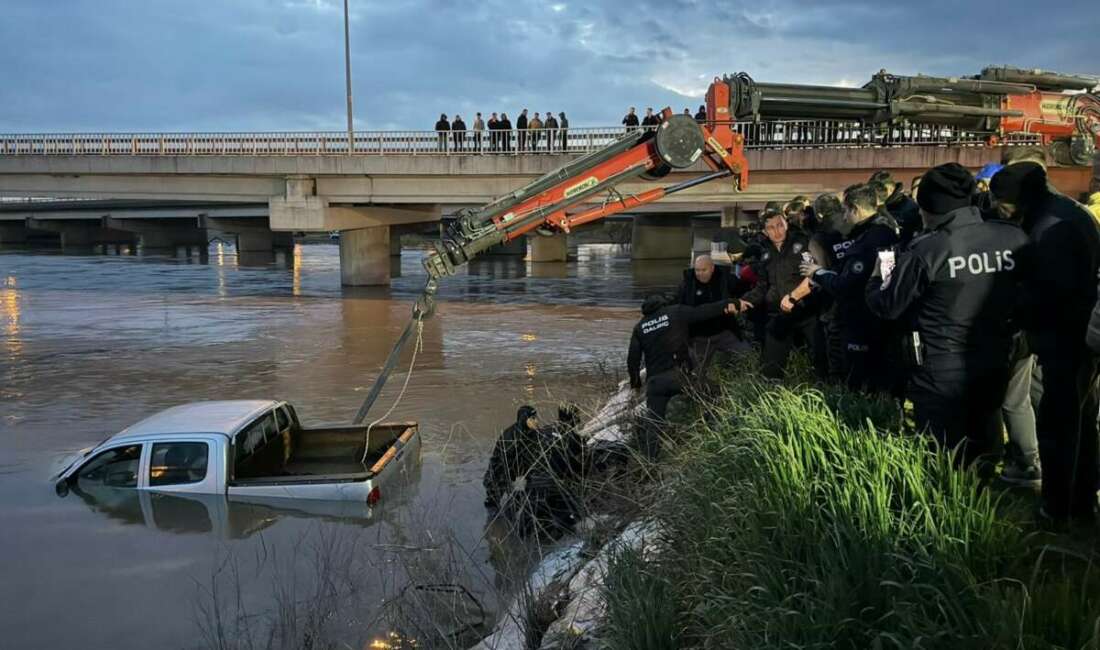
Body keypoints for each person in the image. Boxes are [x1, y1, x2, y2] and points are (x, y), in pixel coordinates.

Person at [865, 163, 1029, 467]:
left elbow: (887, 306)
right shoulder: (1013, 237)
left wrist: (876, 277)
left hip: (941, 370)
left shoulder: (928, 250)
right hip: (997, 358)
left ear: (930, 208)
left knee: (944, 459)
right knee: (986, 441)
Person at [991, 161, 1100, 523]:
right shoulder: (1070, 211)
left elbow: (1050, 294)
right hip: (1081, 335)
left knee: (1058, 425)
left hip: (1065, 338)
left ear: (1019, 198)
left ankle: (1056, 508)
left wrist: (1018, 314)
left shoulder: (1051, 228)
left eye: (1002, 202)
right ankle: (1083, 500)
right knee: (1082, 419)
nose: (999, 210)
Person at [801, 184, 899, 391]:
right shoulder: (887, 231)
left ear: (855, 209)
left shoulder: (867, 241)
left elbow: (847, 286)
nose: (844, 217)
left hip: (861, 318)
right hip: (883, 315)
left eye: (845, 211)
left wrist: (817, 273)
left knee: (856, 381)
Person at [627, 294, 738, 458]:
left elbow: (632, 360)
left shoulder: (640, 327)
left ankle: (650, 463)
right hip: (679, 377)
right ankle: (716, 437)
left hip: (655, 383)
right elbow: (704, 311)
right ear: (663, 304)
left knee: (654, 425)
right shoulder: (676, 312)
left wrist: (636, 384)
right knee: (715, 392)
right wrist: (729, 303)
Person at [741, 210, 816, 379]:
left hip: (807, 311)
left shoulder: (804, 243)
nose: (777, 231)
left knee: (822, 361)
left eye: (780, 225)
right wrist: (743, 301)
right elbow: (762, 287)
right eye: (771, 228)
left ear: (786, 224)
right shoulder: (765, 253)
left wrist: (794, 296)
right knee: (769, 369)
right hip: (779, 314)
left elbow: (814, 276)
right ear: (764, 231)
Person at [676, 254, 748, 371]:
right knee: (694, 372)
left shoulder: (725, 279)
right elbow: (678, 308)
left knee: (747, 356)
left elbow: (745, 290)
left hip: (724, 331)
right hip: (699, 337)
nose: (700, 273)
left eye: (703, 270)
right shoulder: (686, 285)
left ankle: (729, 368)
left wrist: (737, 304)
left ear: (712, 268)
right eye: (697, 270)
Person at [483, 405, 540, 509]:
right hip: (504, 472)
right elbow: (499, 466)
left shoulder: (534, 433)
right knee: (494, 503)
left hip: (521, 468)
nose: (536, 421)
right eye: (532, 418)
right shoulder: (510, 438)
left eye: (536, 417)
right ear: (524, 419)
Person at [871, 171, 921, 246]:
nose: (876, 195)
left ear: (890, 189)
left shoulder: (909, 209)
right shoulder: (880, 206)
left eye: (879, 190)